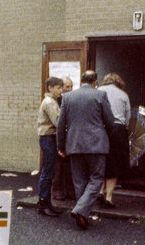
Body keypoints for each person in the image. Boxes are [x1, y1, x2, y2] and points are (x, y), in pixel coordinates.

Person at [56, 70, 116, 229]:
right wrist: (106, 136)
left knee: (79, 180)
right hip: (96, 144)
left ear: (81, 80)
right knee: (96, 178)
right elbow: (110, 122)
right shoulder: (100, 95)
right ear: (95, 81)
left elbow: (61, 124)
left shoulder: (68, 97)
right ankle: (81, 210)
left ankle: (82, 214)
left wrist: (61, 146)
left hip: (74, 145)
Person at [97, 73, 131, 208]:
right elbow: (127, 116)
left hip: (101, 128)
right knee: (115, 163)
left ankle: (99, 191)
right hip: (118, 129)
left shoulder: (98, 92)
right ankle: (109, 198)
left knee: (101, 160)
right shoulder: (123, 95)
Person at [36, 77, 64, 217]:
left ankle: (46, 202)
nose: (61, 90)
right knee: (47, 171)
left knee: (49, 170)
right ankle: (43, 202)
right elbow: (58, 121)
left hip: (49, 138)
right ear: (50, 88)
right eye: (58, 88)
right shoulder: (50, 103)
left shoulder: (52, 101)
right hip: (48, 138)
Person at [52, 76, 75, 200]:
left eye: (71, 86)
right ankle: (58, 191)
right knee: (59, 166)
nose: (70, 89)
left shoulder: (71, 99)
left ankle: (69, 191)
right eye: (67, 86)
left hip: (69, 135)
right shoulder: (58, 101)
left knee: (69, 166)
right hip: (59, 135)